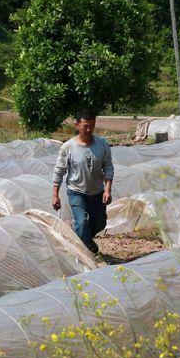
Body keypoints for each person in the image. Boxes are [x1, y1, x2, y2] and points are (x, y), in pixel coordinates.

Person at [52, 108, 114, 254]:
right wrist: (55, 194)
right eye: (85, 126)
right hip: (77, 192)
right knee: (82, 222)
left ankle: (82, 238)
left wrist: (107, 189)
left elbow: (108, 167)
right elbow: (59, 171)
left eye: (91, 126)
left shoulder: (102, 144)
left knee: (100, 223)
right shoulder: (68, 147)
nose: (88, 129)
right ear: (77, 125)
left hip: (97, 192)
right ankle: (84, 253)